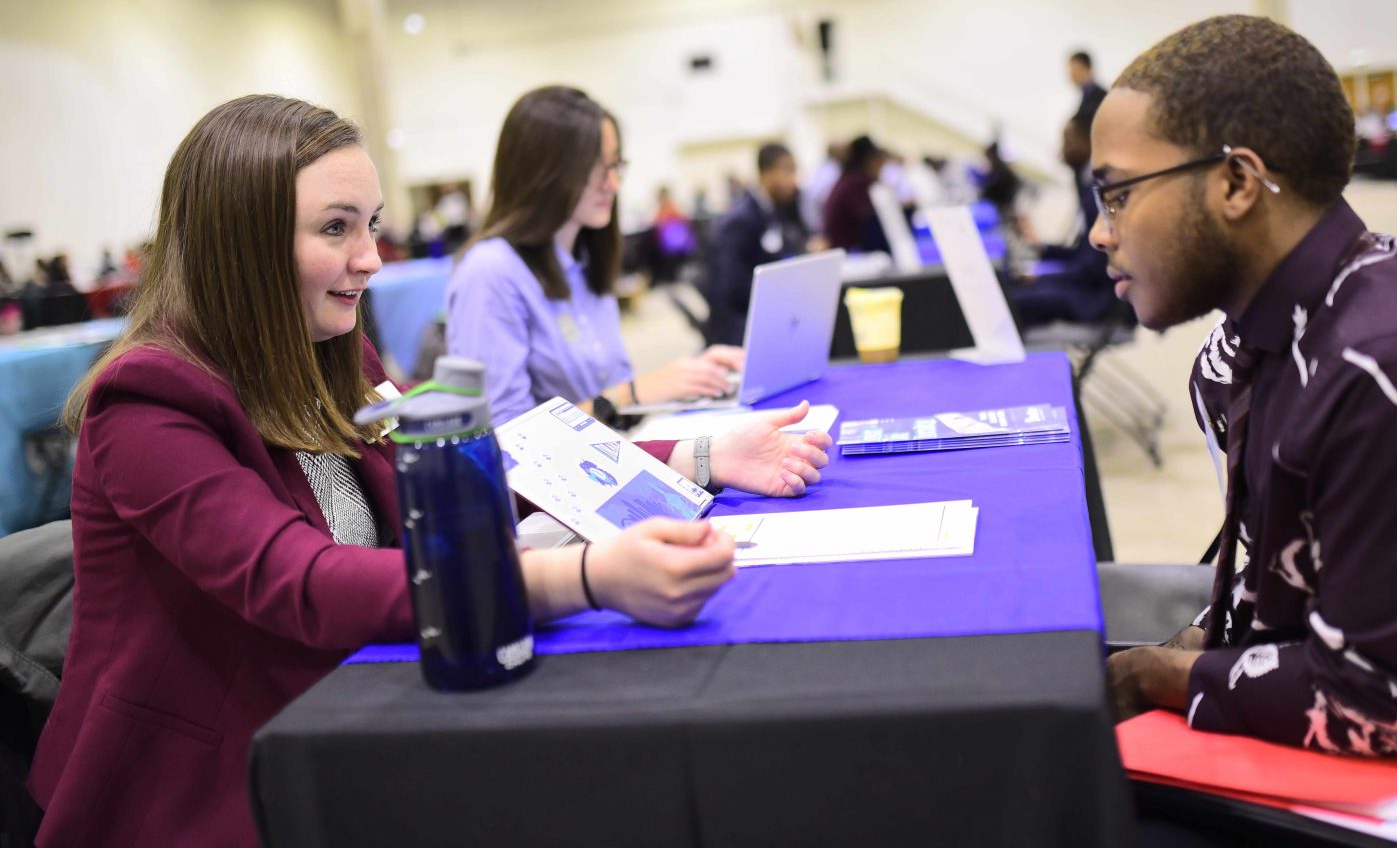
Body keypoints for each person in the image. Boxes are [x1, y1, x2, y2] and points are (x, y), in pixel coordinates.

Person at [27, 94, 831, 848]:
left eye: (371, 224)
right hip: (203, 790)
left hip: (345, 713)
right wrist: (577, 577)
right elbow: (299, 581)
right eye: (336, 228)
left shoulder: (334, 357)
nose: (372, 258)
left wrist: (701, 453)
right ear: (243, 240)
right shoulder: (147, 401)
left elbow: (486, 465)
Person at [1091, 17, 1397, 764]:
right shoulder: (1247, 344)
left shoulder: (1391, 370)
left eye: (1117, 195)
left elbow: (1383, 704)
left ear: (1236, 182)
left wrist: (1155, 673)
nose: (1100, 234)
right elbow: (1284, 595)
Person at [445, 86, 746, 425]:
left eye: (616, 165)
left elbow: (612, 401)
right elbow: (506, 439)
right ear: (542, 172)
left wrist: (692, 378)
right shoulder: (490, 273)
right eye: (598, 168)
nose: (614, 184)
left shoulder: (584, 258)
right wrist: (635, 394)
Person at [1008, 117, 1118, 327]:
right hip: (1086, 288)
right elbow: (1082, 256)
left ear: (1089, 141)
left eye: (1067, 141)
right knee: (1012, 286)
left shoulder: (1099, 194)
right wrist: (1042, 249)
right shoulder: (1090, 188)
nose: (1062, 149)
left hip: (1094, 300)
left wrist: (1039, 278)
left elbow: (1092, 269)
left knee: (1015, 299)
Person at [705, 142, 813, 346]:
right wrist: (781, 291)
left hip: (768, 313)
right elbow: (731, 290)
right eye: (788, 172)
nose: (793, 181)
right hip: (741, 328)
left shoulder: (772, 210)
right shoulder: (740, 221)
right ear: (766, 174)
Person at [820, 134, 891, 254]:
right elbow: (869, 222)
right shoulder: (856, 183)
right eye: (878, 160)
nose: (881, 167)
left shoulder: (849, 180)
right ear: (870, 161)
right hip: (848, 253)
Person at [1069, 49, 1108, 125]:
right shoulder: (1086, 96)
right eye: (1070, 71)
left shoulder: (1102, 97)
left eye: (1076, 70)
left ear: (1088, 69)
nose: (1072, 75)